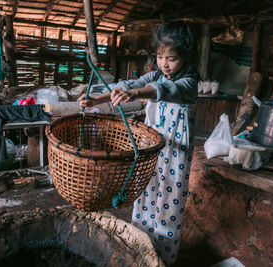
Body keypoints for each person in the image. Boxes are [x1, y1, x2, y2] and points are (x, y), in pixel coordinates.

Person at [79, 21, 198, 264]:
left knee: (168, 200)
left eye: (172, 58)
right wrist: (95, 99)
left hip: (175, 154)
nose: (164, 63)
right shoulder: (155, 73)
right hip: (150, 149)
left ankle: (163, 257)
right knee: (145, 191)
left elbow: (160, 90)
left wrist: (135, 94)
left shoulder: (189, 83)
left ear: (186, 57)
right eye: (159, 56)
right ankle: (140, 247)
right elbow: (127, 85)